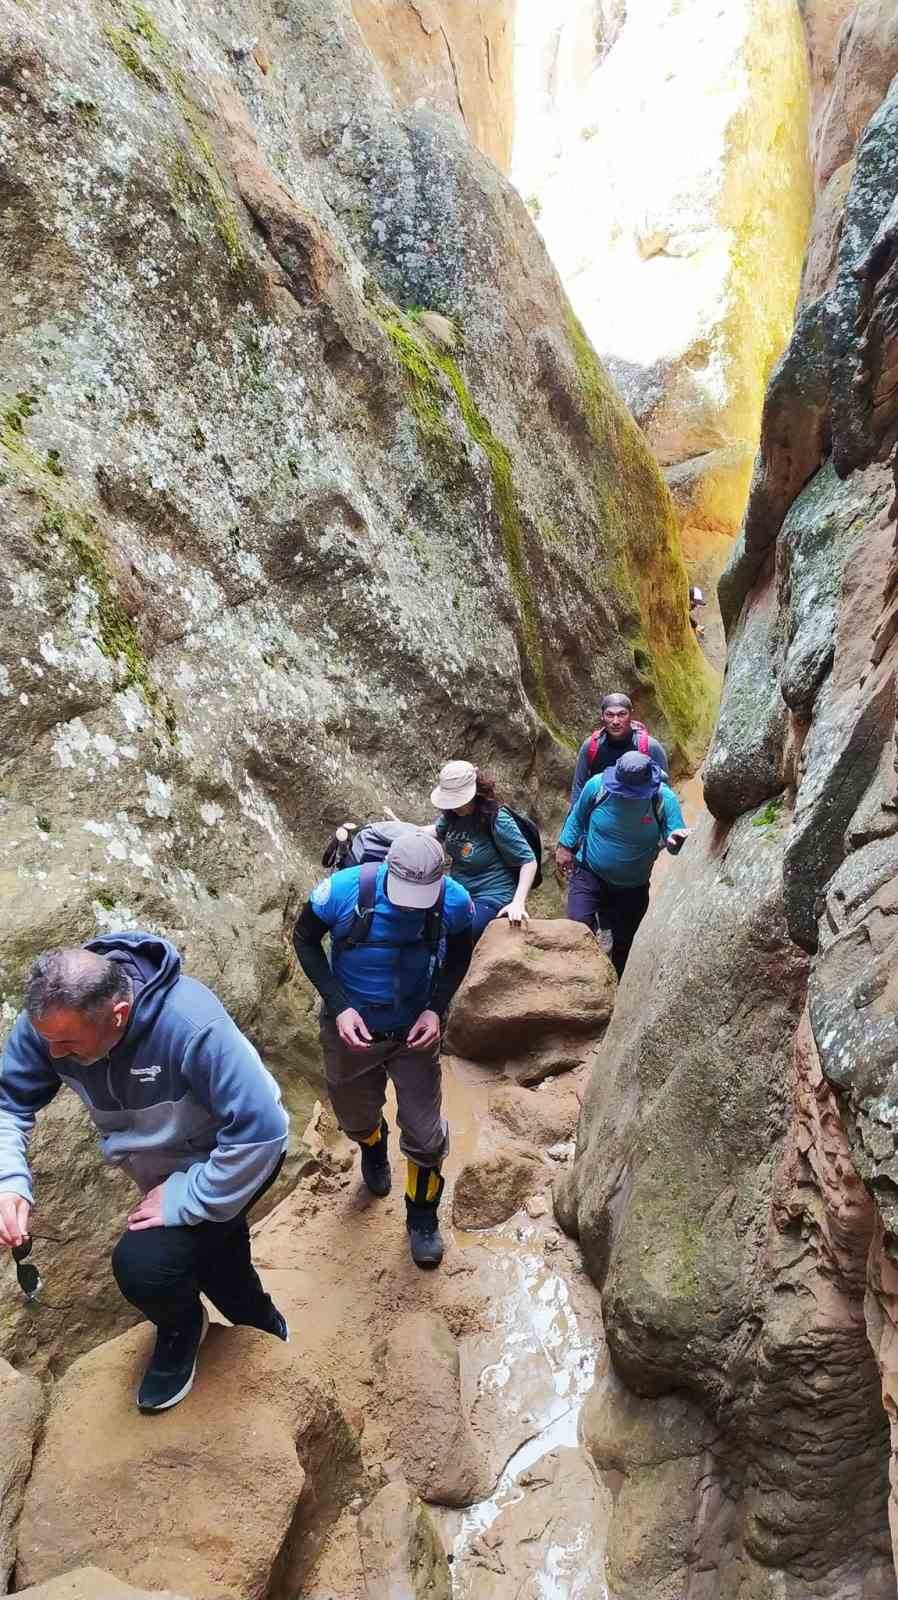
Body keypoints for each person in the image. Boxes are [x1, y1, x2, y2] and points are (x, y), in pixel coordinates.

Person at [0, 934, 289, 1414]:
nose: (52, 1055)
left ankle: (185, 1329)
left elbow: (264, 1132)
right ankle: (258, 1319)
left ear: (118, 1014)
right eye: (46, 1040)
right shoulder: (54, 1019)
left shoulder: (192, 1025)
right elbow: (7, 1104)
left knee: (145, 1266)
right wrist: (9, 1180)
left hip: (236, 1157)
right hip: (165, 1164)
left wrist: (187, 1196)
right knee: (216, 1248)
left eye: (66, 1043)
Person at [292, 829, 474, 1268]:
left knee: (427, 1136)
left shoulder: (453, 901)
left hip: (414, 1033)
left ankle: (422, 1218)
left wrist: (435, 1009)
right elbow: (304, 939)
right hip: (351, 1029)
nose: (414, 904)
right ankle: (372, 1144)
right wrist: (338, 1006)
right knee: (354, 1116)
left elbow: (460, 954)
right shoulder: (341, 891)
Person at [556, 751, 688, 978]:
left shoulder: (663, 799)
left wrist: (676, 842)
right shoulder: (597, 787)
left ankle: (614, 990)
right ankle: (578, 982)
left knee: (624, 946)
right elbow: (578, 816)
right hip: (590, 873)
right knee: (577, 929)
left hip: (633, 886)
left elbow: (675, 841)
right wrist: (565, 846)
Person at [430, 760, 538, 942]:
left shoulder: (496, 818)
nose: (455, 806)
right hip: (459, 892)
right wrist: (401, 832)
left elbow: (528, 861)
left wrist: (518, 903)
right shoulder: (452, 815)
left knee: (459, 929)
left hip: (492, 895)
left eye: (459, 801)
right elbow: (435, 831)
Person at [570, 693, 668, 806]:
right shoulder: (591, 746)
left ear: (631, 714)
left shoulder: (650, 747)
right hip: (600, 815)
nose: (615, 721)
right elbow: (578, 787)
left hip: (641, 815)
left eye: (622, 714)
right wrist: (574, 820)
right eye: (609, 715)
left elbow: (664, 789)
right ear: (602, 716)